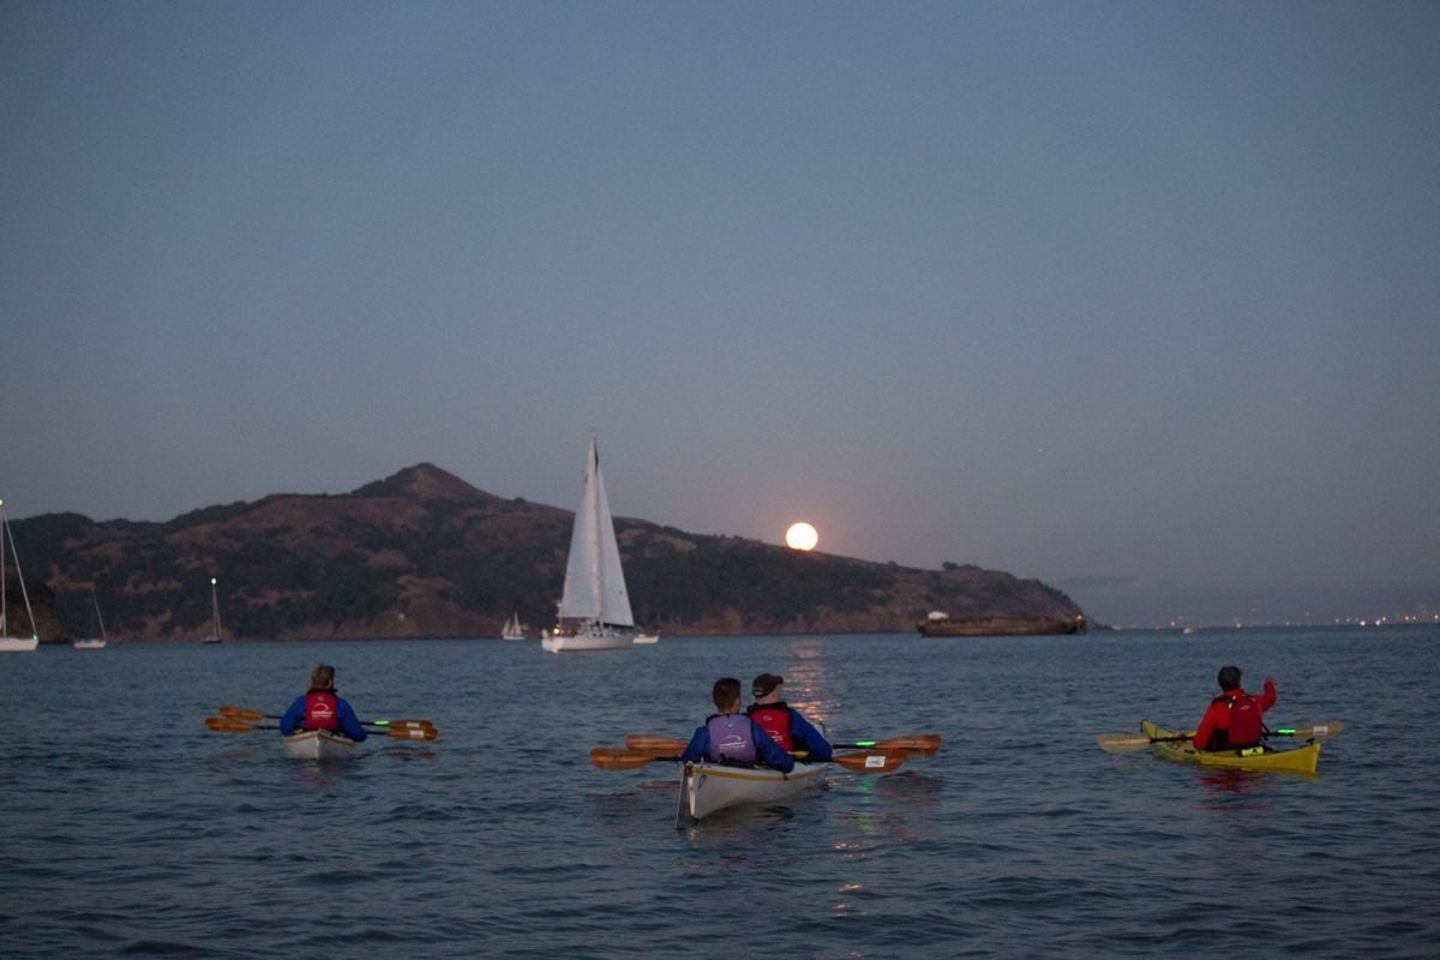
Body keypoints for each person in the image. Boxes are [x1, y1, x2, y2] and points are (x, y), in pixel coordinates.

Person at [679, 677, 794, 773]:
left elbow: (688, 760)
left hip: (718, 774)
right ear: (738, 701)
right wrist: (789, 763)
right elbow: (779, 760)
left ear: (715, 701)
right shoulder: (753, 728)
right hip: (749, 773)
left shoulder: (704, 732)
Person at [747, 673, 834, 761]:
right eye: (779, 690)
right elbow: (824, 751)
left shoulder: (747, 718)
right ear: (775, 694)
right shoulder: (790, 716)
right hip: (786, 763)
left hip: (757, 762)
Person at [1192, 665, 1276, 752]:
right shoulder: (1254, 701)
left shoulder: (1217, 707)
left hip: (1227, 750)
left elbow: (1198, 743)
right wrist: (1269, 684)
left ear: (1219, 683)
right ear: (1239, 682)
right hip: (1253, 746)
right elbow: (1270, 698)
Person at [279, 664, 368, 742]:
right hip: (333, 741)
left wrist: (296, 730)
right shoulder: (341, 704)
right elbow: (359, 735)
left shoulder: (300, 702)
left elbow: (285, 728)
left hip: (305, 740)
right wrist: (360, 733)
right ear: (330, 683)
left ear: (312, 682)